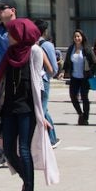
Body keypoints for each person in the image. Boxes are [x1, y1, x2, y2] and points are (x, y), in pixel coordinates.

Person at [0, 17, 60, 191]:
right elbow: (2, 80)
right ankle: (26, 180)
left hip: (27, 109)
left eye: (11, 33)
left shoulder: (34, 51)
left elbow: (38, 82)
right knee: (9, 151)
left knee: (25, 150)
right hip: (9, 108)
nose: (8, 36)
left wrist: (42, 114)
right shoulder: (10, 54)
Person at [0, 0, 20, 167]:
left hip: (18, 78)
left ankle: (19, 152)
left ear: (12, 10)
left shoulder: (20, 28)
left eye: (2, 8)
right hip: (1, 79)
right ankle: (4, 152)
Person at [33, 19, 60, 147]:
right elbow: (53, 69)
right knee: (42, 110)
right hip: (40, 81)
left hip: (38, 80)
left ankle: (51, 138)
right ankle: (51, 138)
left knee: (42, 110)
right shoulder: (44, 45)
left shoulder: (40, 45)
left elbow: (53, 69)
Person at [62, 28, 95, 125]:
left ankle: (85, 118)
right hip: (74, 77)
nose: (77, 38)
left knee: (85, 98)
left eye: (78, 36)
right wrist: (63, 71)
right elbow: (67, 61)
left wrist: (90, 73)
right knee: (73, 96)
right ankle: (80, 114)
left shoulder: (86, 49)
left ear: (82, 37)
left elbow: (95, 62)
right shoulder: (71, 48)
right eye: (75, 36)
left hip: (85, 78)